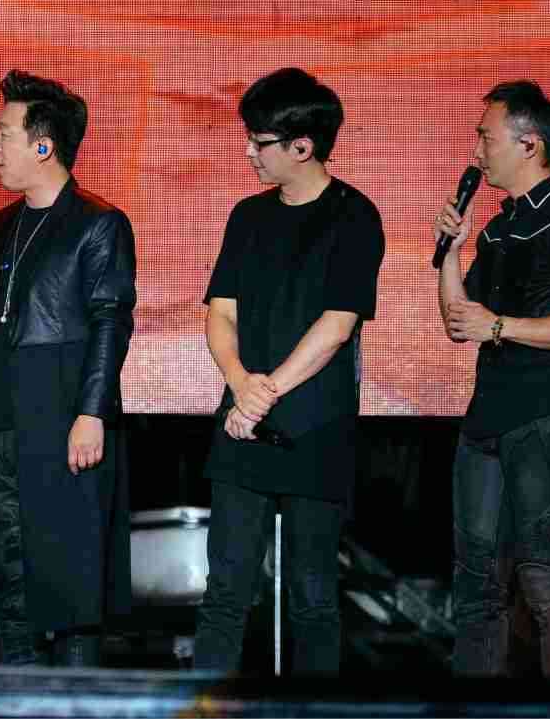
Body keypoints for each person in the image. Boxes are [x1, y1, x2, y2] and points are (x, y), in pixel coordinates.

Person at [194, 67, 384, 675]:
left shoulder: (354, 216)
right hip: (242, 424)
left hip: (314, 427)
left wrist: (265, 391)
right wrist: (240, 385)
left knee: (312, 599)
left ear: (303, 147)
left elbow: (338, 324)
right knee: (224, 594)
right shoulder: (248, 216)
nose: (249, 152)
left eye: (260, 142)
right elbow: (220, 312)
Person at [0, 70, 136, 667]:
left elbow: (111, 321)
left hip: (63, 416)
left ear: (44, 146)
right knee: (10, 584)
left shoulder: (98, 223)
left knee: (72, 585)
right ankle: (20, 696)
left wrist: (91, 412)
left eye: (5, 134)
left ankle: (75, 703)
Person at [435, 80, 550, 677]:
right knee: (476, 579)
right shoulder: (496, 228)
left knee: (543, 577)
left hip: (543, 414)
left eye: (486, 137)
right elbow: (459, 323)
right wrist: (452, 253)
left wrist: (501, 325)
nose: (477, 151)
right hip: (486, 417)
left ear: (530, 144)